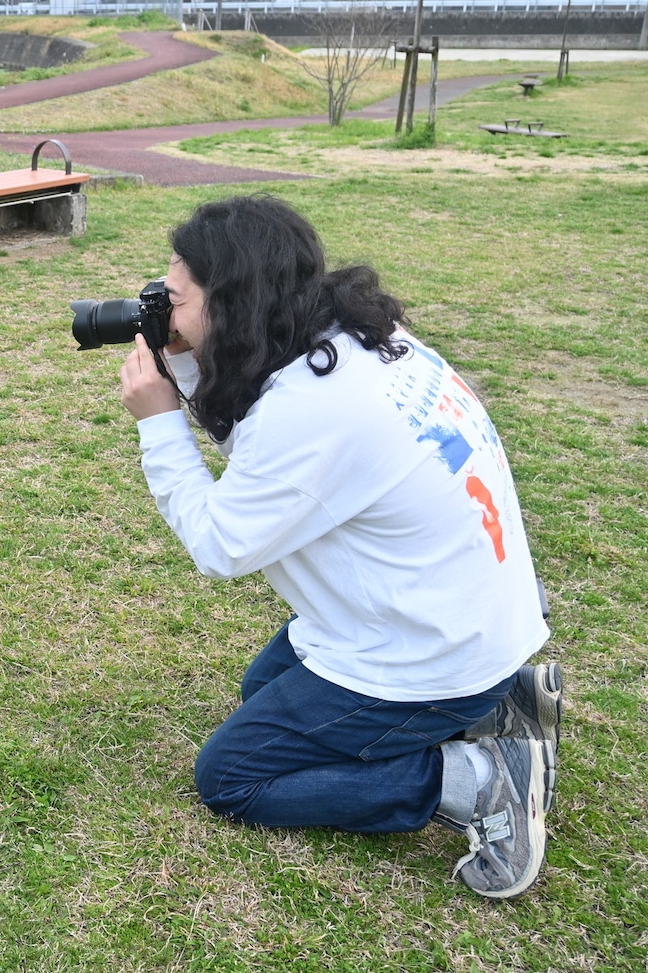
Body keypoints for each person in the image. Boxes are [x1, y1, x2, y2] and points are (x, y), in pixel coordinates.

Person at [117, 194, 560, 899]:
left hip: (435, 645)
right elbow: (264, 458)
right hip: (467, 615)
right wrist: (192, 365)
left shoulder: (310, 408)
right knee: (262, 691)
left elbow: (221, 544)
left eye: (175, 296)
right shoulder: (349, 339)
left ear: (230, 301)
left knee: (233, 774)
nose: (162, 309)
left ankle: (476, 781)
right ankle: (496, 701)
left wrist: (159, 422)